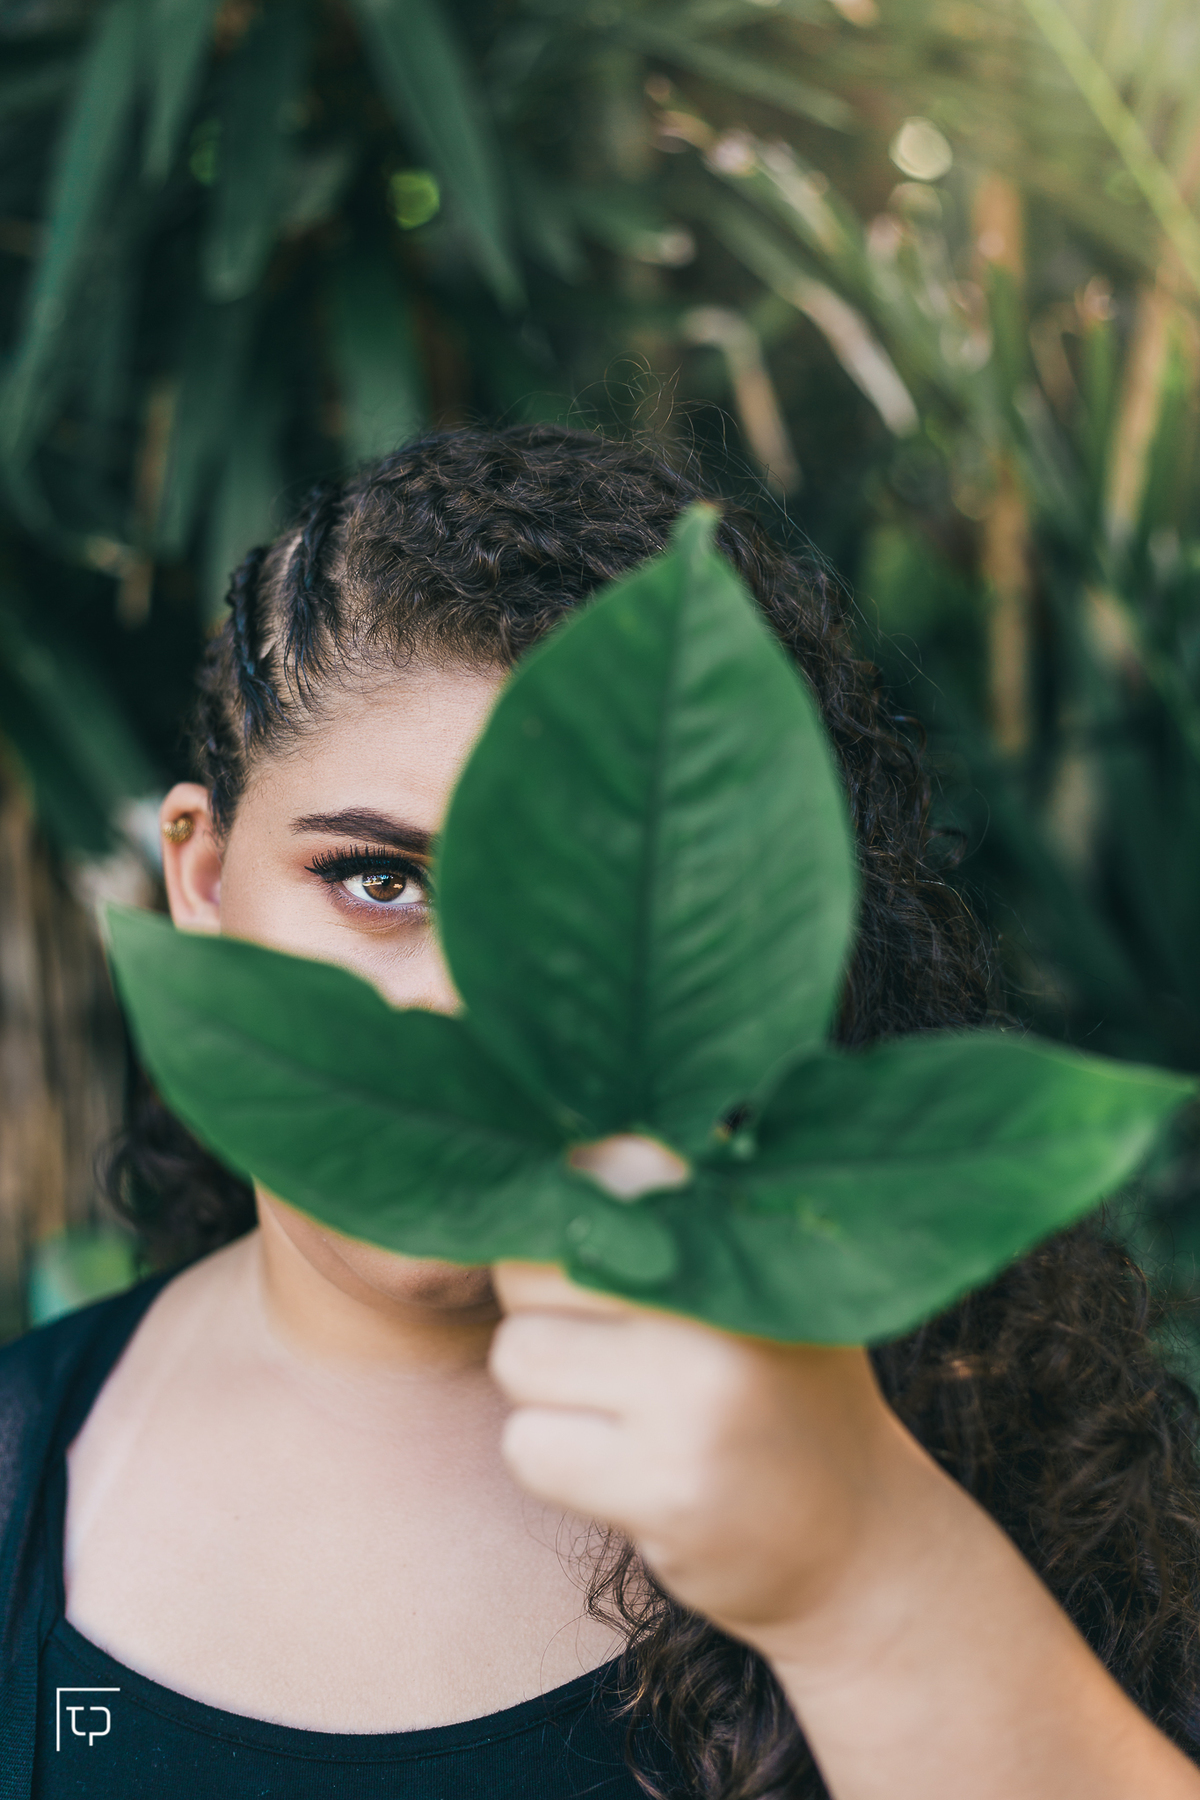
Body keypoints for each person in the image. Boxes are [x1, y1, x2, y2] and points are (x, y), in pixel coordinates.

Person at [2, 425, 1199, 1800]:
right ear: (203, 887)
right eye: (381, 882)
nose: (473, 1008)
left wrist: (868, 1565)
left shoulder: (920, 1440)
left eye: (561, 915)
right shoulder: (25, 1474)